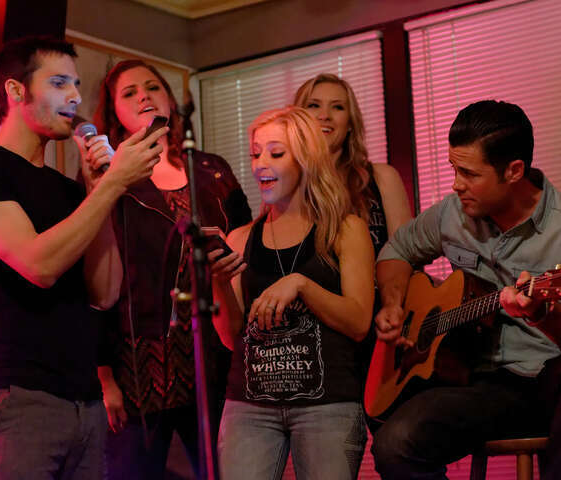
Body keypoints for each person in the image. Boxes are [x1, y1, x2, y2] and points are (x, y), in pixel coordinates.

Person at [370, 100, 561, 480]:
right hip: (477, 386)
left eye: (468, 173)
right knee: (394, 444)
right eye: (453, 169)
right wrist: (394, 305)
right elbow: (396, 251)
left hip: (547, 381)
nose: (456, 184)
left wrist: (541, 311)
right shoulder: (451, 214)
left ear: (513, 171)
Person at [0, 36, 166, 479]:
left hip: (85, 404)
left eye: (76, 85)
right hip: (18, 402)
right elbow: (39, 266)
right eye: (58, 83)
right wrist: (112, 186)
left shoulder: (69, 191)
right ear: (16, 92)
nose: (74, 97)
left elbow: (106, 291)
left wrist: (98, 191)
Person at [90, 59, 251, 479]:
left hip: (214, 358)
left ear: (170, 100)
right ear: (114, 114)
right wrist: (104, 377)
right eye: (129, 93)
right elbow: (94, 283)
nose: (143, 95)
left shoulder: (211, 169)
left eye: (152, 87)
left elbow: (249, 237)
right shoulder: (107, 177)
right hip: (140, 369)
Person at [214, 106, 375, 479]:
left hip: (327, 404)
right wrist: (218, 282)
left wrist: (301, 285)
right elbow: (229, 338)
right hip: (249, 406)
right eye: (255, 154)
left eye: (275, 152)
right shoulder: (241, 239)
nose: (260, 164)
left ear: (305, 159)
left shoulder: (345, 230)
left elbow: (359, 322)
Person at [294, 73, 411, 255]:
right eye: (314, 105)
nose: (324, 115)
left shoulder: (383, 177)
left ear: (350, 123)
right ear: (297, 120)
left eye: (338, 107)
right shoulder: (286, 185)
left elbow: (407, 257)